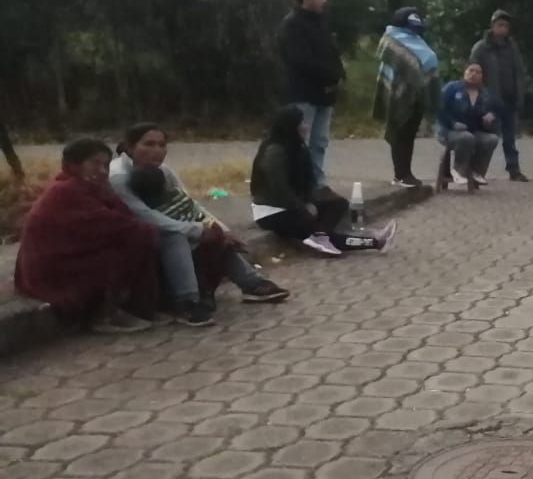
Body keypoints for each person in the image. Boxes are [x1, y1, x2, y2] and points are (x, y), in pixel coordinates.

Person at [112, 124, 289, 324]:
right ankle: (187, 302)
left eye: (162, 145)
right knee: (174, 235)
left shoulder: (163, 170)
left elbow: (188, 203)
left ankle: (252, 283)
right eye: (149, 144)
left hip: (169, 225)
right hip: (133, 235)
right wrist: (195, 229)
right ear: (130, 147)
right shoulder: (119, 177)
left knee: (215, 234)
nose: (157, 150)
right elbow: (145, 216)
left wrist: (219, 228)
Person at [14, 138, 159, 333]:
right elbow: (111, 224)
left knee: (139, 235)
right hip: (50, 270)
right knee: (133, 242)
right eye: (95, 163)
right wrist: (146, 229)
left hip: (67, 258)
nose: (103, 171)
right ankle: (103, 314)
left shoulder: (87, 187)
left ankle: (137, 308)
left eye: (106, 165)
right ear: (74, 165)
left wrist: (110, 196)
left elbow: (121, 220)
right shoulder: (65, 190)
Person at [251, 105, 395, 255]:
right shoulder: (274, 152)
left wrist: (311, 200)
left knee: (338, 204)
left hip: (293, 204)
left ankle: (321, 235)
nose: (306, 127)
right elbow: (280, 190)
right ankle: (376, 242)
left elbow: (308, 182)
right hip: (272, 211)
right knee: (313, 225)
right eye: (301, 123)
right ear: (291, 127)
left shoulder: (298, 148)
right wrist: (303, 207)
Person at [277, 0, 343, 191]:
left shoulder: (321, 22)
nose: (325, 0)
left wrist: (339, 74)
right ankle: (299, 185)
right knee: (301, 143)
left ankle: (317, 183)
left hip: (325, 94)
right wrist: (327, 75)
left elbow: (331, 51)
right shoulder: (292, 25)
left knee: (320, 142)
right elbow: (299, 60)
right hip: (303, 93)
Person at [372, 7, 440, 189]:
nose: (414, 29)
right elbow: (408, 64)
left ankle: (406, 173)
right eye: (411, 25)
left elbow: (427, 62)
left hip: (416, 96)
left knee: (409, 135)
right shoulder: (391, 40)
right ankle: (400, 175)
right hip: (397, 94)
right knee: (399, 132)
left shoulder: (418, 40)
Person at [469, 9, 528, 182]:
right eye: (500, 25)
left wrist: (520, 94)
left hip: (509, 99)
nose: (503, 29)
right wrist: (479, 97)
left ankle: (514, 169)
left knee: (510, 139)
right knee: (486, 138)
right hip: (489, 102)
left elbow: (519, 72)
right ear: (492, 26)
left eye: (506, 26)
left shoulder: (512, 47)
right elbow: (472, 74)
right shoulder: (481, 48)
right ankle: (476, 171)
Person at [436, 63, 501, 191]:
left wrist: (489, 119)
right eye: (471, 71)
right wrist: (453, 124)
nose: (474, 74)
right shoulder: (452, 88)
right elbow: (438, 109)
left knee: (491, 139)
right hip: (448, 130)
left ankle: (477, 172)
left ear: (482, 76)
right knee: (466, 138)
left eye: (478, 72)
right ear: (464, 73)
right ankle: (458, 170)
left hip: (473, 132)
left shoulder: (485, 94)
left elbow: (494, 114)